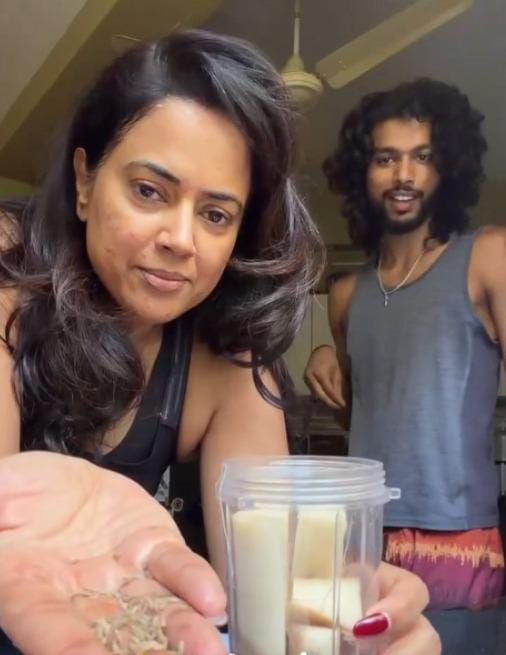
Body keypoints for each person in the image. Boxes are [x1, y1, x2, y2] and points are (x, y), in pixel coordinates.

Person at [0, 31, 438, 654]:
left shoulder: (225, 352)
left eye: (215, 215)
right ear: (85, 181)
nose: (182, 240)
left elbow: (274, 589)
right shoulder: (8, 271)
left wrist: (330, 604)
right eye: (149, 191)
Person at [304, 78, 506, 609]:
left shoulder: (489, 256)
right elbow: (364, 417)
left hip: (458, 539)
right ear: (363, 173)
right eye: (385, 158)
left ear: (448, 168)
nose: (404, 175)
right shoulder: (346, 295)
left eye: (423, 156)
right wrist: (326, 361)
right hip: (364, 536)